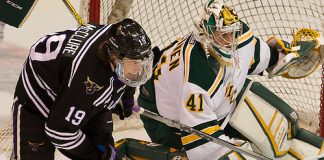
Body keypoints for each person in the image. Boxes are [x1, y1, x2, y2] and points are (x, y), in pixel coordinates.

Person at [138, 0, 324, 159]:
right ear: (206, 34)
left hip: (217, 101)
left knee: (284, 127)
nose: (230, 40)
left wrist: (293, 57)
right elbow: (205, 147)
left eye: (232, 32)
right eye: (223, 35)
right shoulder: (195, 80)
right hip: (164, 115)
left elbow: (269, 59)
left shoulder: (239, 36)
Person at [11, 18, 153, 160]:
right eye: (134, 62)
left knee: (104, 145)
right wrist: (95, 156)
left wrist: (126, 94)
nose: (139, 68)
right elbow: (59, 131)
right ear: (114, 56)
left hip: (75, 80)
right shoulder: (87, 78)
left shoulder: (116, 38)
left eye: (142, 61)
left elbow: (125, 74)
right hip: (39, 92)